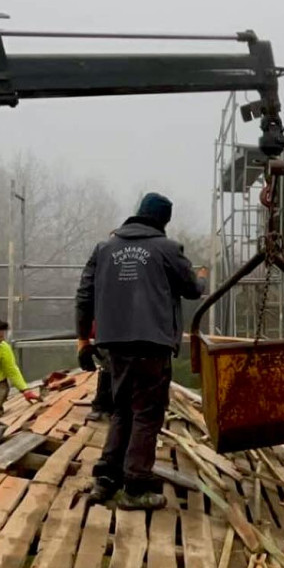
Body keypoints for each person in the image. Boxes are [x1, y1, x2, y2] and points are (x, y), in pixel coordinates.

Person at [75, 192, 203, 510]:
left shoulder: (105, 248)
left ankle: (107, 478)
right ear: (164, 221)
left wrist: (83, 340)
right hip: (151, 344)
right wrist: (201, 278)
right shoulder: (167, 249)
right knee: (147, 414)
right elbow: (191, 289)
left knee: (122, 409)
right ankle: (136, 487)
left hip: (114, 345)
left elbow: (84, 296)